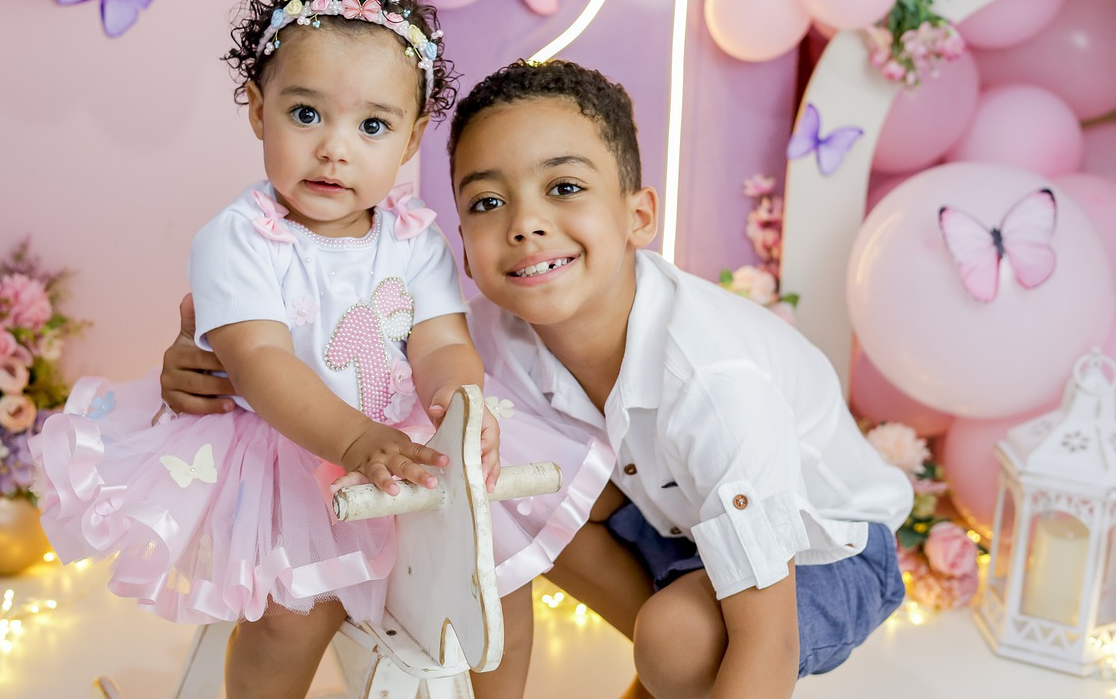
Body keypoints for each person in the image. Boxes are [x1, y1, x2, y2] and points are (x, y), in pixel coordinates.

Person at [162, 58, 912, 699]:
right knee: (517, 504)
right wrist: (211, 357)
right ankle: (668, 654)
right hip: (672, 519)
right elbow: (354, 359)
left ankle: (669, 661)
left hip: (826, 547)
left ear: (638, 214)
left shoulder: (712, 377)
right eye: (488, 202)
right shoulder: (491, 334)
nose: (525, 223)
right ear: (461, 237)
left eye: (564, 188)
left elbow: (768, 643)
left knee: (680, 638)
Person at [32, 0, 502, 699]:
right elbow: (259, 360)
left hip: (396, 443)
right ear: (258, 107)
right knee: (293, 614)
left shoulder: (414, 238)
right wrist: (353, 441)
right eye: (306, 113)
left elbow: (442, 340)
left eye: (373, 124)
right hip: (287, 454)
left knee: (485, 569)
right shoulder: (241, 237)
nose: (334, 147)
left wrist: (458, 404)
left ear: (411, 142)